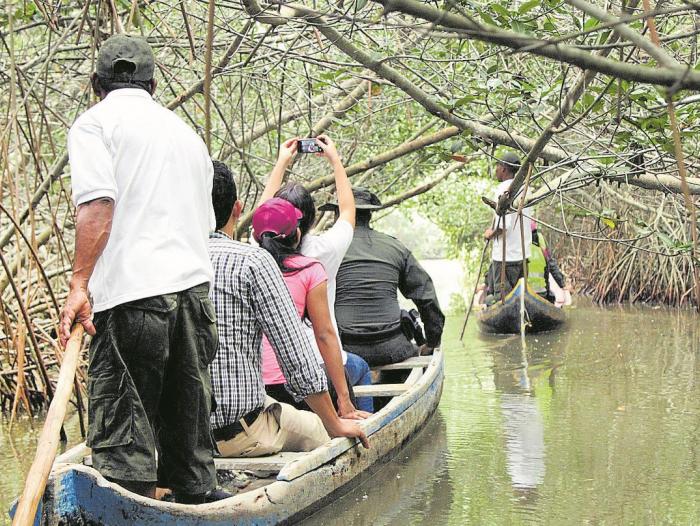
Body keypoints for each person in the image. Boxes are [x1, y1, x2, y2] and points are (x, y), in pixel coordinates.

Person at [59, 35, 222, 503]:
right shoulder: (187, 135)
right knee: (190, 441)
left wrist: (78, 284)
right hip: (193, 299)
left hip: (132, 302)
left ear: (96, 84)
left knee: (124, 447)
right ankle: (197, 501)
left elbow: (98, 205)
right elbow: (205, 223)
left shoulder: (94, 125)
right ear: (154, 84)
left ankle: (132, 505)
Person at [208, 161, 369, 458]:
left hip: (203, 422)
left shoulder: (205, 258)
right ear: (299, 231)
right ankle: (359, 423)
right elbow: (318, 341)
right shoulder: (301, 262)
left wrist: (282, 161)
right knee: (356, 374)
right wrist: (338, 414)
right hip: (273, 404)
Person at [258, 136, 373, 413]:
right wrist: (335, 160)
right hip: (316, 370)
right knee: (361, 368)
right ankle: (367, 418)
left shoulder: (257, 251)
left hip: (263, 377)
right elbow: (348, 210)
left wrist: (281, 163)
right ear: (306, 223)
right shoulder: (324, 252)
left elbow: (264, 213)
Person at [331, 188, 445, 367]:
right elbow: (427, 298)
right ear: (369, 215)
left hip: (342, 350)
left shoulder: (324, 249)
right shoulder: (396, 248)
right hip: (392, 348)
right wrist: (431, 342)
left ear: (338, 214)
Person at [483, 151, 533, 299]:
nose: (496, 170)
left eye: (497, 166)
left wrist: (489, 234)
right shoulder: (526, 189)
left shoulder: (503, 189)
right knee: (520, 300)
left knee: (503, 299)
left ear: (504, 169)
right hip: (522, 256)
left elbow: (503, 226)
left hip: (505, 259)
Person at [529, 222, 568, 305]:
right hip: (541, 292)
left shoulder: (516, 248)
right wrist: (562, 285)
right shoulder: (540, 242)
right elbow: (551, 264)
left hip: (528, 292)